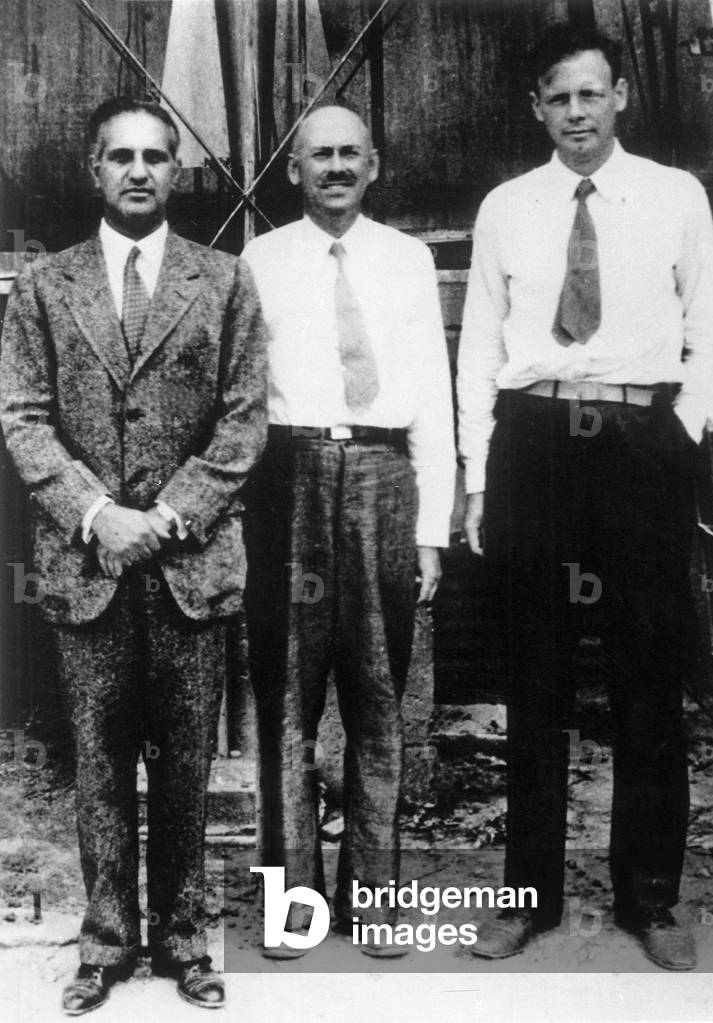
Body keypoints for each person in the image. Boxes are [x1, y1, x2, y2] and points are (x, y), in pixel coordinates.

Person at [457, 23, 713, 970]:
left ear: (619, 96)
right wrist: (480, 474)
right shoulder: (506, 208)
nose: (576, 113)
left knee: (648, 674)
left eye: (591, 94)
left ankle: (650, 896)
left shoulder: (675, 196)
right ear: (537, 107)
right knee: (535, 677)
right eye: (557, 97)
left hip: (638, 442)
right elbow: (479, 351)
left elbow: (712, 330)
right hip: (536, 442)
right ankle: (525, 898)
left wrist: (679, 429)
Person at [0, 97, 267, 1012]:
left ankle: (187, 939)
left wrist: (173, 513)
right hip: (91, 567)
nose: (140, 171)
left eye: (157, 156)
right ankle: (107, 943)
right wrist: (96, 514)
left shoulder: (225, 280)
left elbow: (243, 420)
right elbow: (24, 418)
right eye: (122, 156)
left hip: (190, 564)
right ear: (94, 168)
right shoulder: (44, 287)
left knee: (187, 761)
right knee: (102, 760)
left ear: (179, 171)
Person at [241, 105, 455, 958]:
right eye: (318, 154)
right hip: (285, 477)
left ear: (376, 165)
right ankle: (295, 907)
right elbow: (239, 396)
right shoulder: (257, 261)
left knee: (377, 694)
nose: (335, 167)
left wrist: (431, 529)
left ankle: (375, 900)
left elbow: (433, 400)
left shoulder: (408, 260)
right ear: (293, 171)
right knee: (286, 700)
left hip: (383, 477)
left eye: (350, 154)